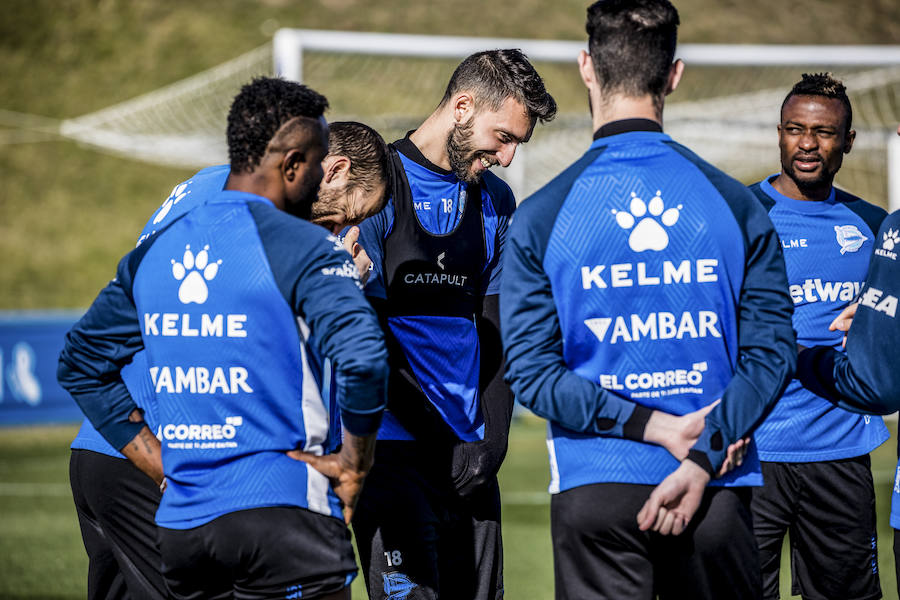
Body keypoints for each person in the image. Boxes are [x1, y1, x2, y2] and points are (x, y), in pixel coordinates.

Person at [500, 1, 797, 598]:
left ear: (587, 67)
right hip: (714, 485)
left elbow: (531, 373)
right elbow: (772, 355)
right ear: (674, 75)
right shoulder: (736, 206)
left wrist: (653, 425)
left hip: (597, 488)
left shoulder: (540, 216)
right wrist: (701, 455)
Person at [59, 77, 389, 600]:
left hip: (106, 448)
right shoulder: (270, 228)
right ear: (328, 169)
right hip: (174, 459)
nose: (342, 226)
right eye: (351, 212)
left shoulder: (205, 189)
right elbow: (344, 354)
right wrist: (339, 282)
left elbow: (95, 350)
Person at [349, 49, 556, 600]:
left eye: (518, 143)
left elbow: (498, 328)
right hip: (391, 451)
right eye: (504, 136)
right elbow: (360, 338)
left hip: (468, 459)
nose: (509, 157)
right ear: (463, 107)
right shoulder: (375, 188)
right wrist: (428, 436)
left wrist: (492, 441)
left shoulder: (495, 200)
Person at [747, 73, 889, 600]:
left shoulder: (874, 226)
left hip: (841, 453)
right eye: (794, 129)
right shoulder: (739, 217)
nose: (807, 143)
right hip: (751, 452)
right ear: (780, 133)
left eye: (824, 132)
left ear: (848, 140)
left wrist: (876, 326)